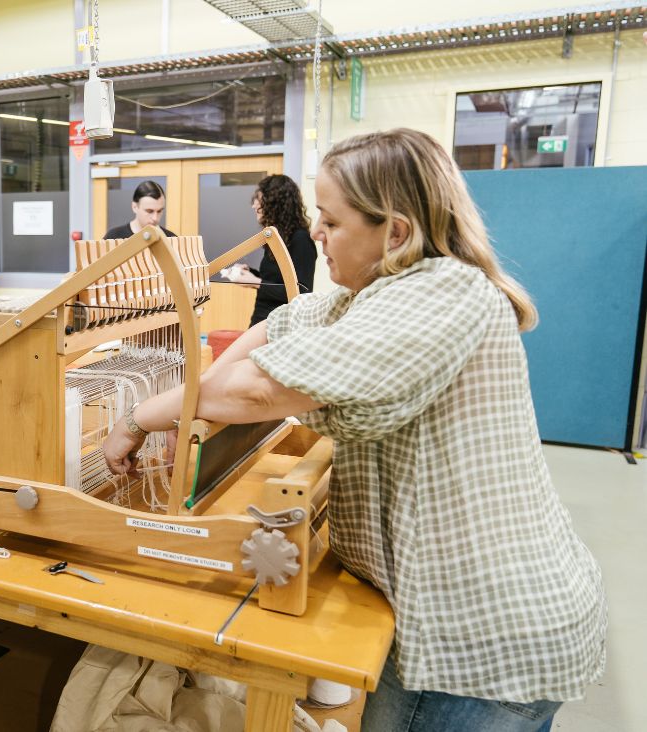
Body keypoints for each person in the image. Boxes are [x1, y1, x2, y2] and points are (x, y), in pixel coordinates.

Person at [103, 129, 606, 732]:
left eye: (332, 221)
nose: (316, 233)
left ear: (394, 232)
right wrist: (201, 400)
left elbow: (261, 389)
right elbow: (276, 327)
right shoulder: (371, 293)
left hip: (482, 635)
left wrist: (137, 420)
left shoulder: (442, 294)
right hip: (449, 612)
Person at [243, 174, 319, 327]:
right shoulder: (277, 237)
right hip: (261, 318)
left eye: (259, 199)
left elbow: (301, 292)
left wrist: (256, 282)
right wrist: (251, 273)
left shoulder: (300, 239)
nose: (254, 205)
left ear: (275, 202)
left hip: (281, 325)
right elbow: (276, 280)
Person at [103, 180, 176, 240]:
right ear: (134, 207)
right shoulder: (113, 237)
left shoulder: (171, 239)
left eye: (159, 211)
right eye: (149, 211)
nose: (155, 218)